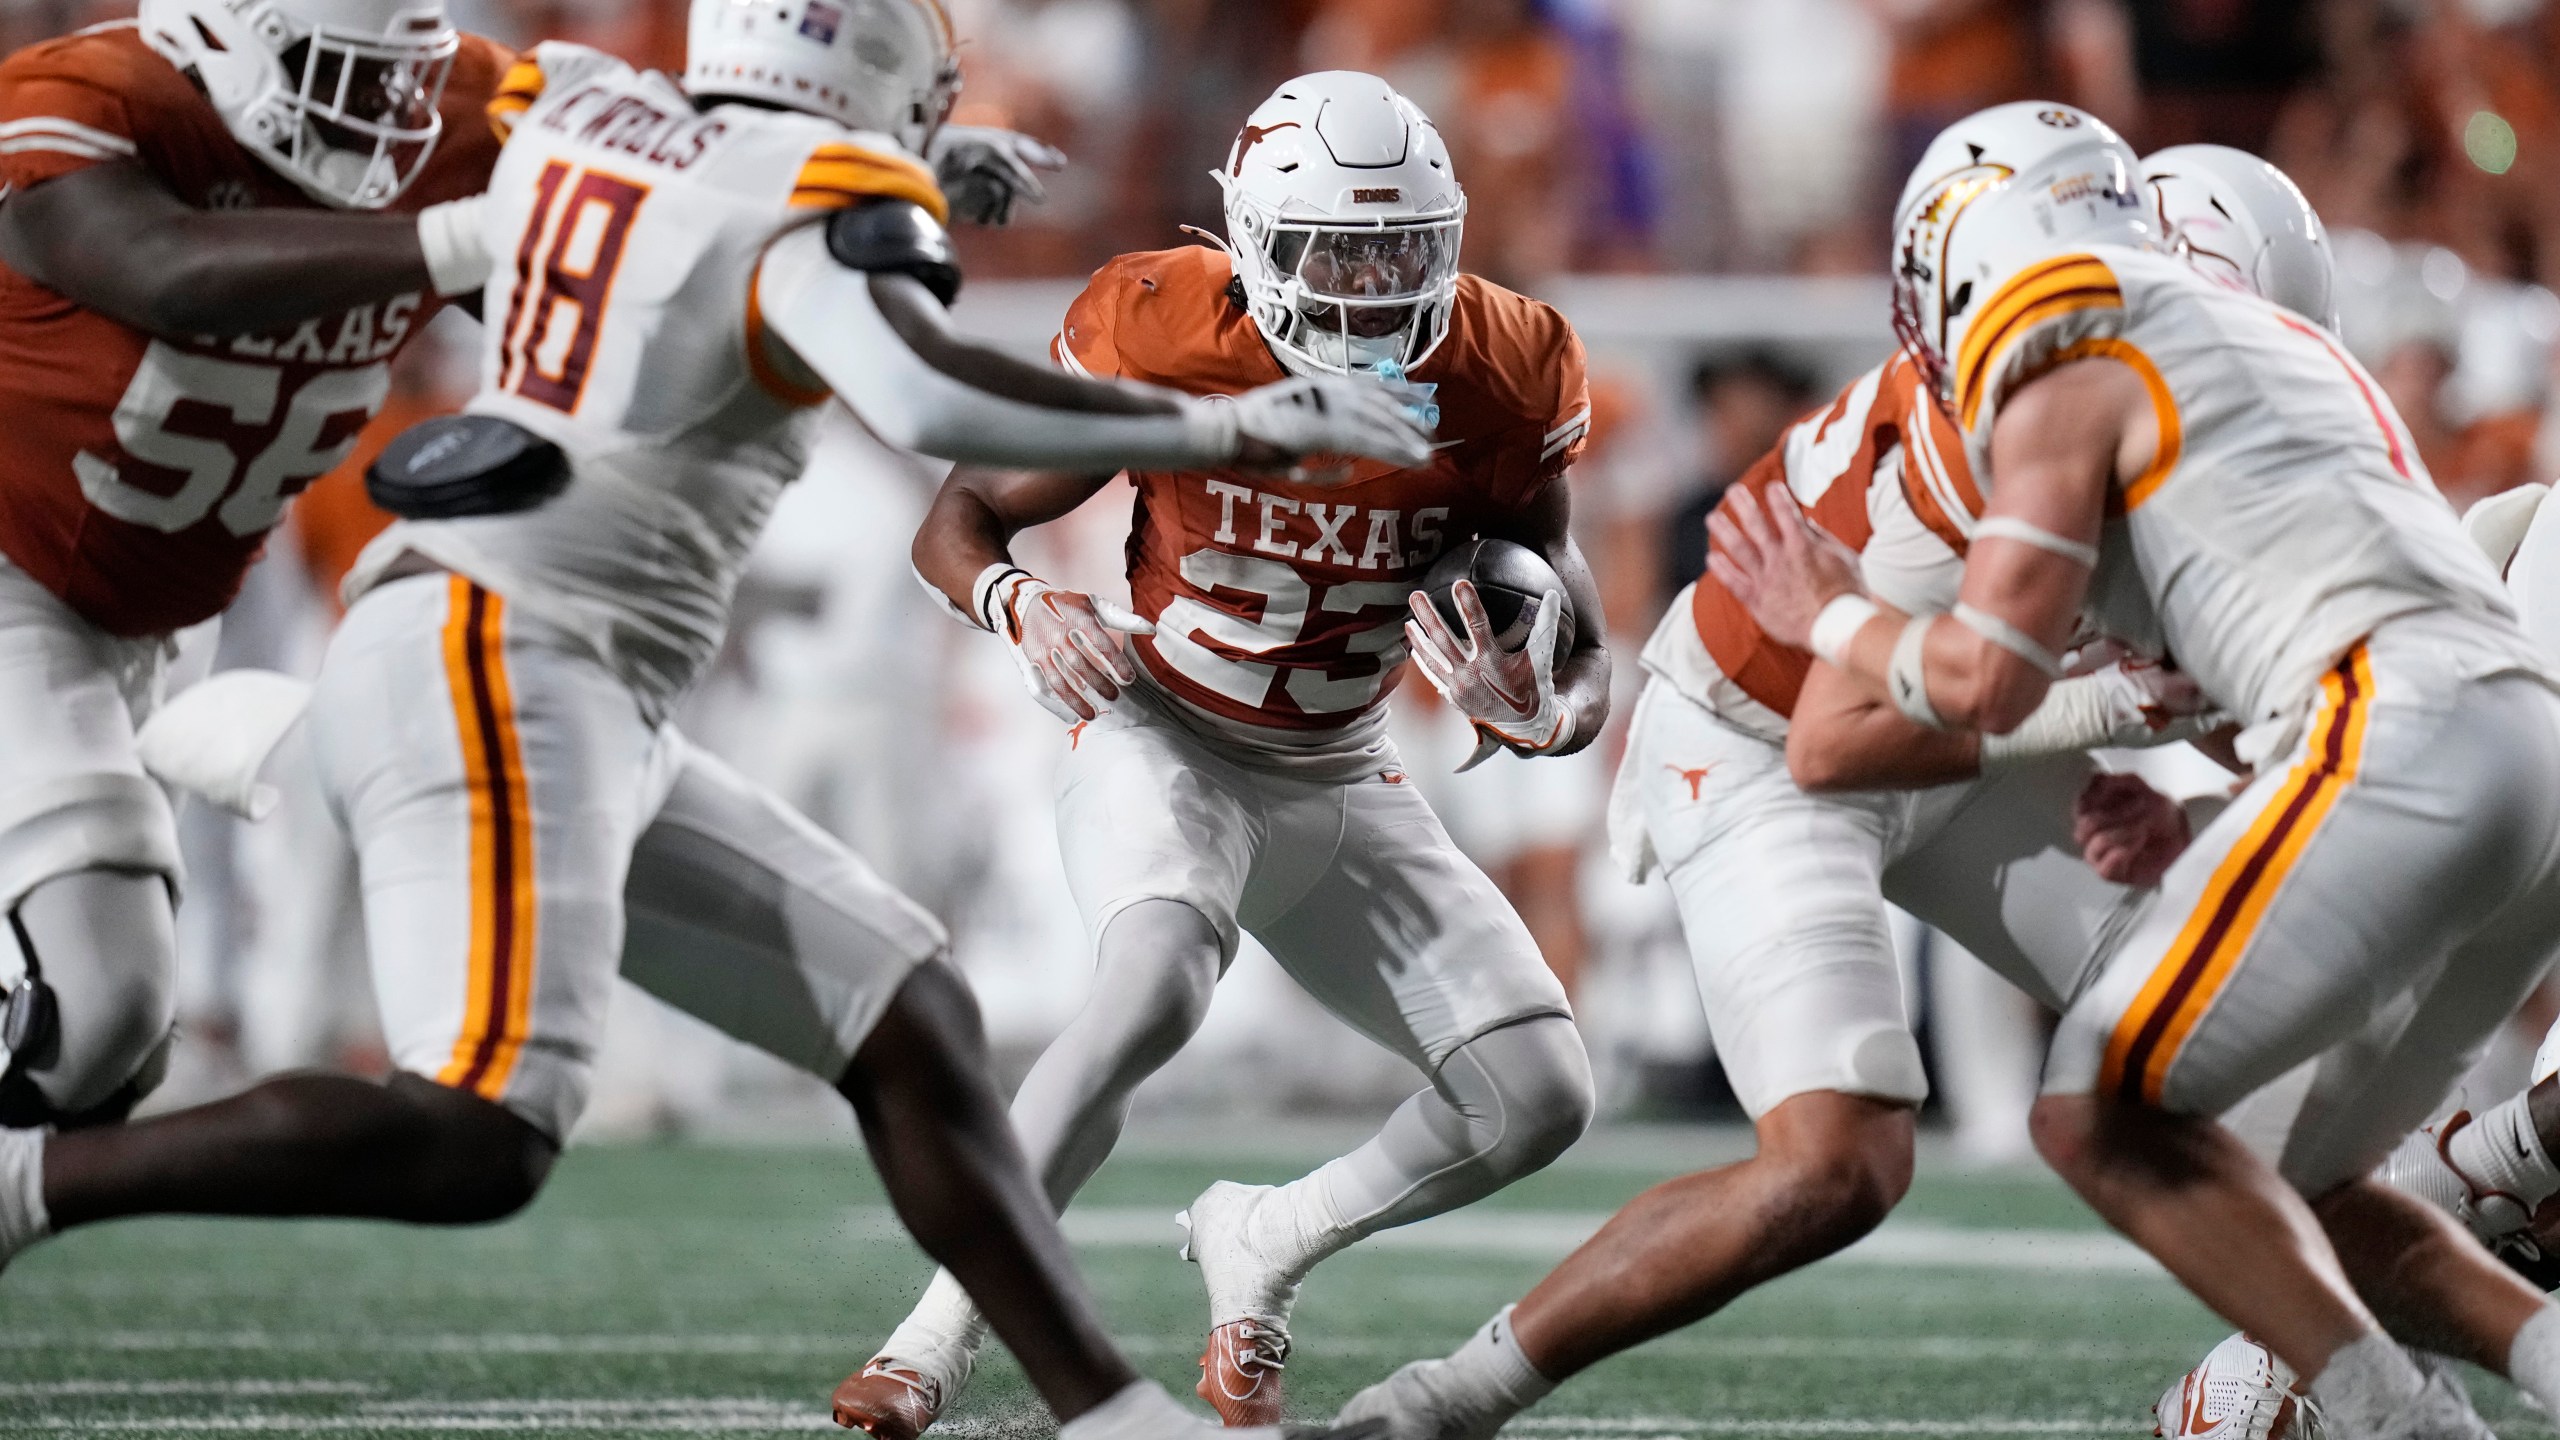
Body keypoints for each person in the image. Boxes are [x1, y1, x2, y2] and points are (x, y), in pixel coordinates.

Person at [0, 6, 1433, 1440]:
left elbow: (704, 204)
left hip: (540, 663)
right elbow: (919, 384)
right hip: (510, 651)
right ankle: (24, 1187)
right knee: (479, 1135)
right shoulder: (800, 188)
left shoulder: (592, 116)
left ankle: (1111, 1417)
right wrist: (1215, 426)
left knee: (910, 1017)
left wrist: (914, 183)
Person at [1329, 104, 2299, 1440]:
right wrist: (2113, 704)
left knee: (2264, 1020)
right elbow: (1838, 741)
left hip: (1955, 722)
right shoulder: (1970, 453)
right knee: (1840, 1164)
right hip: (1765, 743)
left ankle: (2293, 1372)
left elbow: (2240, 697)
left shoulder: (2148, 415)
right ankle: (1446, 1401)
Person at [1712, 101, 2560, 1440]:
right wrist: (2209, 803)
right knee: (2311, 1170)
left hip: (2402, 736)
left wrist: (1828, 609)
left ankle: (2393, 1413)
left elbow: (1868, 724)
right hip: (2515, 756)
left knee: (2096, 1110)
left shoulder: (2078, 368)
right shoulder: (2297, 376)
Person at [834, 70, 1605, 1438]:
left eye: (1401, 247)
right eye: (1334, 250)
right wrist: (1022, 602)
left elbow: (1567, 610)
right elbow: (956, 522)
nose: (1371, 284)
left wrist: (1543, 702)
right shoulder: (1162, 323)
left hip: (1343, 766)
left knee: (1543, 1093)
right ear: (1247, 238)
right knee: (1152, 989)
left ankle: (1271, 1236)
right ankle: (937, 1336)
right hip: (1167, 730)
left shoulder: (1506, 363)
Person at [0, 0, 513, 1130]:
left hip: (164, 609)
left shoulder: (463, 108)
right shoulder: (95, 98)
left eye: (401, 79)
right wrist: (461, 236)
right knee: (96, 1004)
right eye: (345, 75)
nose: (386, 118)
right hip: (18, 567)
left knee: (107, 1053)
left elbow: (622, 269)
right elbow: (163, 269)